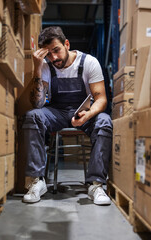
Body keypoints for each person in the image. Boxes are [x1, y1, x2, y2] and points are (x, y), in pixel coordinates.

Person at [22, 26, 112, 205]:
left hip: (83, 110)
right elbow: (38, 103)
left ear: (67, 44)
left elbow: (101, 99)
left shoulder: (89, 62)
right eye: (48, 54)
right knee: (33, 116)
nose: (54, 58)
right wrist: (38, 68)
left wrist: (88, 115)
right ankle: (37, 181)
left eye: (56, 50)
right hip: (57, 112)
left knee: (104, 121)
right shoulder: (47, 66)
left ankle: (96, 184)